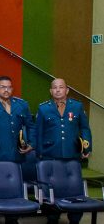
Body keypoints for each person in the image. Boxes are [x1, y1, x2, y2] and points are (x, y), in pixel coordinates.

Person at [37, 78, 92, 224]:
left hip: (72, 155)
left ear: (67, 90)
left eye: (61, 87)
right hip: (50, 155)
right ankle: (52, 218)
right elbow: (38, 133)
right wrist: (40, 154)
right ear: (51, 91)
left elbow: (85, 128)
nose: (58, 90)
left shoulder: (77, 106)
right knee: (51, 190)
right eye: (55, 87)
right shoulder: (43, 108)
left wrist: (86, 147)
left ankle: (75, 219)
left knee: (74, 189)